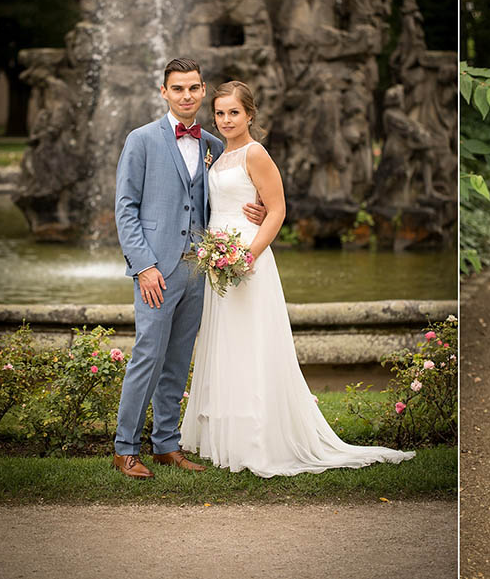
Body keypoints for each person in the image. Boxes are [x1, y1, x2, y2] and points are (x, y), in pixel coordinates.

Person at [180, 81, 415, 476]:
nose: (225, 120)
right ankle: (227, 436)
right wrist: (217, 255)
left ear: (250, 114)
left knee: (252, 345)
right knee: (226, 346)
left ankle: (258, 441)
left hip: (246, 260)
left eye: (233, 113)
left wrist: (246, 256)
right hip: (219, 261)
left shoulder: (255, 153)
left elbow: (277, 210)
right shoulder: (218, 156)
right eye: (219, 113)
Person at [113, 58, 266, 479]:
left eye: (194, 88)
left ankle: (166, 444)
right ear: (164, 92)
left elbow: (233, 197)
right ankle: (125, 448)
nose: (186, 96)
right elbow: (125, 209)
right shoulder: (141, 140)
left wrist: (258, 209)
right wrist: (143, 266)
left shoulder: (215, 146)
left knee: (179, 361)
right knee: (148, 356)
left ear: (202, 90)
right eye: (177, 88)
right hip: (156, 271)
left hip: (200, 269)